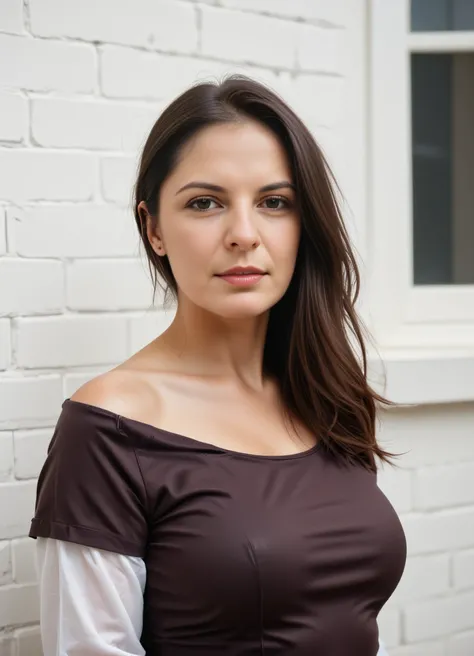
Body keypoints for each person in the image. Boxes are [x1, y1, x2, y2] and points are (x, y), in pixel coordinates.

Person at [30, 75, 405, 655]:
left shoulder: (326, 395)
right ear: (154, 228)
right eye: (205, 203)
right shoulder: (108, 429)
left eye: (274, 203)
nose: (244, 235)